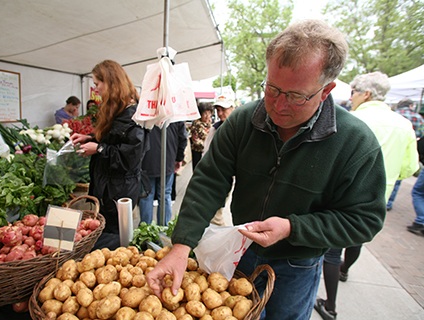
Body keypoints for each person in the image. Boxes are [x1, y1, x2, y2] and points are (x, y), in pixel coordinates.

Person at [146, 19, 387, 320]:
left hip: (298, 265)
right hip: (241, 251)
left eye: (296, 96)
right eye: (272, 88)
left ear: (326, 91)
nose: (278, 105)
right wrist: (182, 245)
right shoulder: (243, 121)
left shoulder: (356, 143)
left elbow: (364, 220)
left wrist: (292, 228)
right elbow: (209, 180)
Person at [315, 72, 419, 320]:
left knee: (331, 251)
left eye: (353, 92)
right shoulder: (404, 125)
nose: (350, 97)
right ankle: (345, 270)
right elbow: (410, 168)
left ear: (367, 94)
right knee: (357, 238)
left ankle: (330, 305)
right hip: (378, 197)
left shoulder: (349, 121)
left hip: (341, 198)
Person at [70, 60, 148, 250]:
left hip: (118, 189)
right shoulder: (118, 109)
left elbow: (130, 156)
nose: (95, 89)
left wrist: (97, 149)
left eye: (97, 84)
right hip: (108, 185)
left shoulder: (134, 115)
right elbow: (111, 138)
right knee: (106, 231)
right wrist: (89, 137)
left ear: (111, 82)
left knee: (115, 237)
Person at [139, 122, 187, 226]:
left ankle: (144, 231)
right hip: (168, 159)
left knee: (146, 196)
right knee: (165, 195)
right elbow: (182, 137)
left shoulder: (145, 108)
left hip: (147, 159)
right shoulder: (174, 111)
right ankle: (163, 229)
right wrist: (179, 158)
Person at [202, 96, 236, 226]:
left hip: (237, 178)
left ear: (232, 108)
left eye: (223, 109)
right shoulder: (216, 128)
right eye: (217, 109)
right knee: (215, 214)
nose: (220, 113)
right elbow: (206, 153)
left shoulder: (242, 127)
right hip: (219, 177)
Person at [387, 98, 424, 210]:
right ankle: (389, 202)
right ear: (411, 106)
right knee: (396, 179)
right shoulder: (418, 118)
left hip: (391, 147)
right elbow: (420, 135)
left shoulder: (393, 115)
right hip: (405, 151)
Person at [189, 102, 213, 170]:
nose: (207, 116)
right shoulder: (196, 123)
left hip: (209, 153)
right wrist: (207, 145)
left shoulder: (211, 122)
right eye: (205, 113)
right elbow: (195, 139)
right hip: (198, 151)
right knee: (198, 170)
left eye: (209, 113)